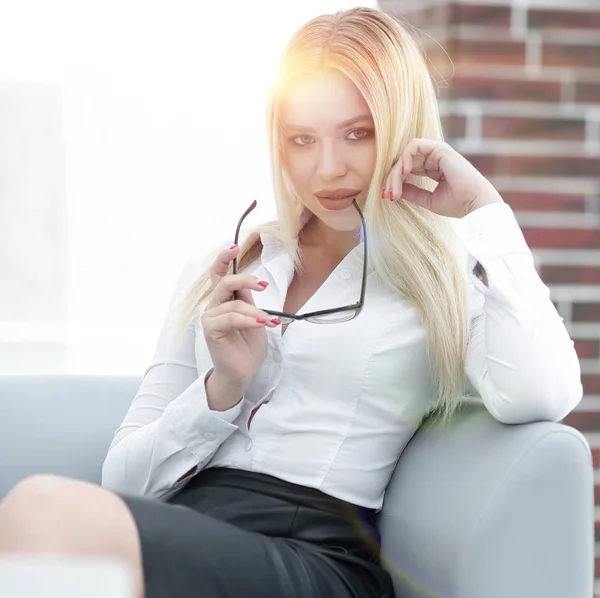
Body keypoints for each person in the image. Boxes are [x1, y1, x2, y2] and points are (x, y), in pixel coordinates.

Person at [0, 6, 583, 598]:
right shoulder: (230, 262)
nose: (328, 167)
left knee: (41, 509)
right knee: (45, 524)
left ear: (403, 125)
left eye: (358, 133)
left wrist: (485, 212)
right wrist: (221, 390)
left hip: (312, 553)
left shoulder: (443, 279)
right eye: (302, 140)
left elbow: (544, 391)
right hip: (193, 525)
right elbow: (124, 480)